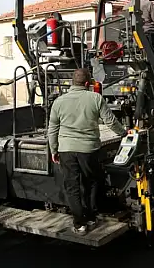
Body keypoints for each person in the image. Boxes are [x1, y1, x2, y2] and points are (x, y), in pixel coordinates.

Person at [47, 68, 126, 235]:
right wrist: (125, 133)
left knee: (72, 187)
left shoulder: (59, 102)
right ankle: (90, 217)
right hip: (89, 150)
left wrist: (54, 149)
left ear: (72, 82)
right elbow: (110, 121)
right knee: (91, 182)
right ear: (88, 83)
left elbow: (52, 129)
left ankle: (79, 224)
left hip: (66, 149)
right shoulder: (95, 98)